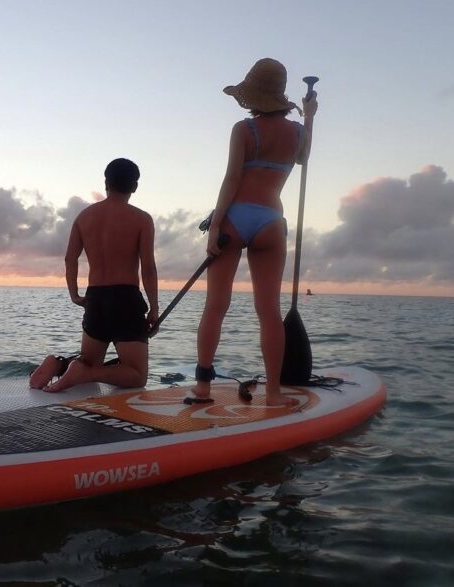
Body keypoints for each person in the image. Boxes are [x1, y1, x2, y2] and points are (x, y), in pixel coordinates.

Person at [188, 58, 318, 406]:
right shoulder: (299, 133)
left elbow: (232, 179)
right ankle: (273, 393)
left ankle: (203, 387)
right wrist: (310, 117)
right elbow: (303, 159)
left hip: (235, 218)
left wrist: (214, 226)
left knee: (216, 305)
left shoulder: (244, 130)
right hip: (272, 221)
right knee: (269, 310)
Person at [29, 158, 159, 392]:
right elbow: (148, 267)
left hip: (96, 298)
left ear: (106, 183)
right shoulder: (141, 219)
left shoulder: (84, 217)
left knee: (89, 360)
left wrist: (75, 295)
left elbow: (70, 259)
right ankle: (85, 373)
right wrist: (154, 309)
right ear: (135, 186)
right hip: (126, 298)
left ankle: (60, 365)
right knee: (137, 375)